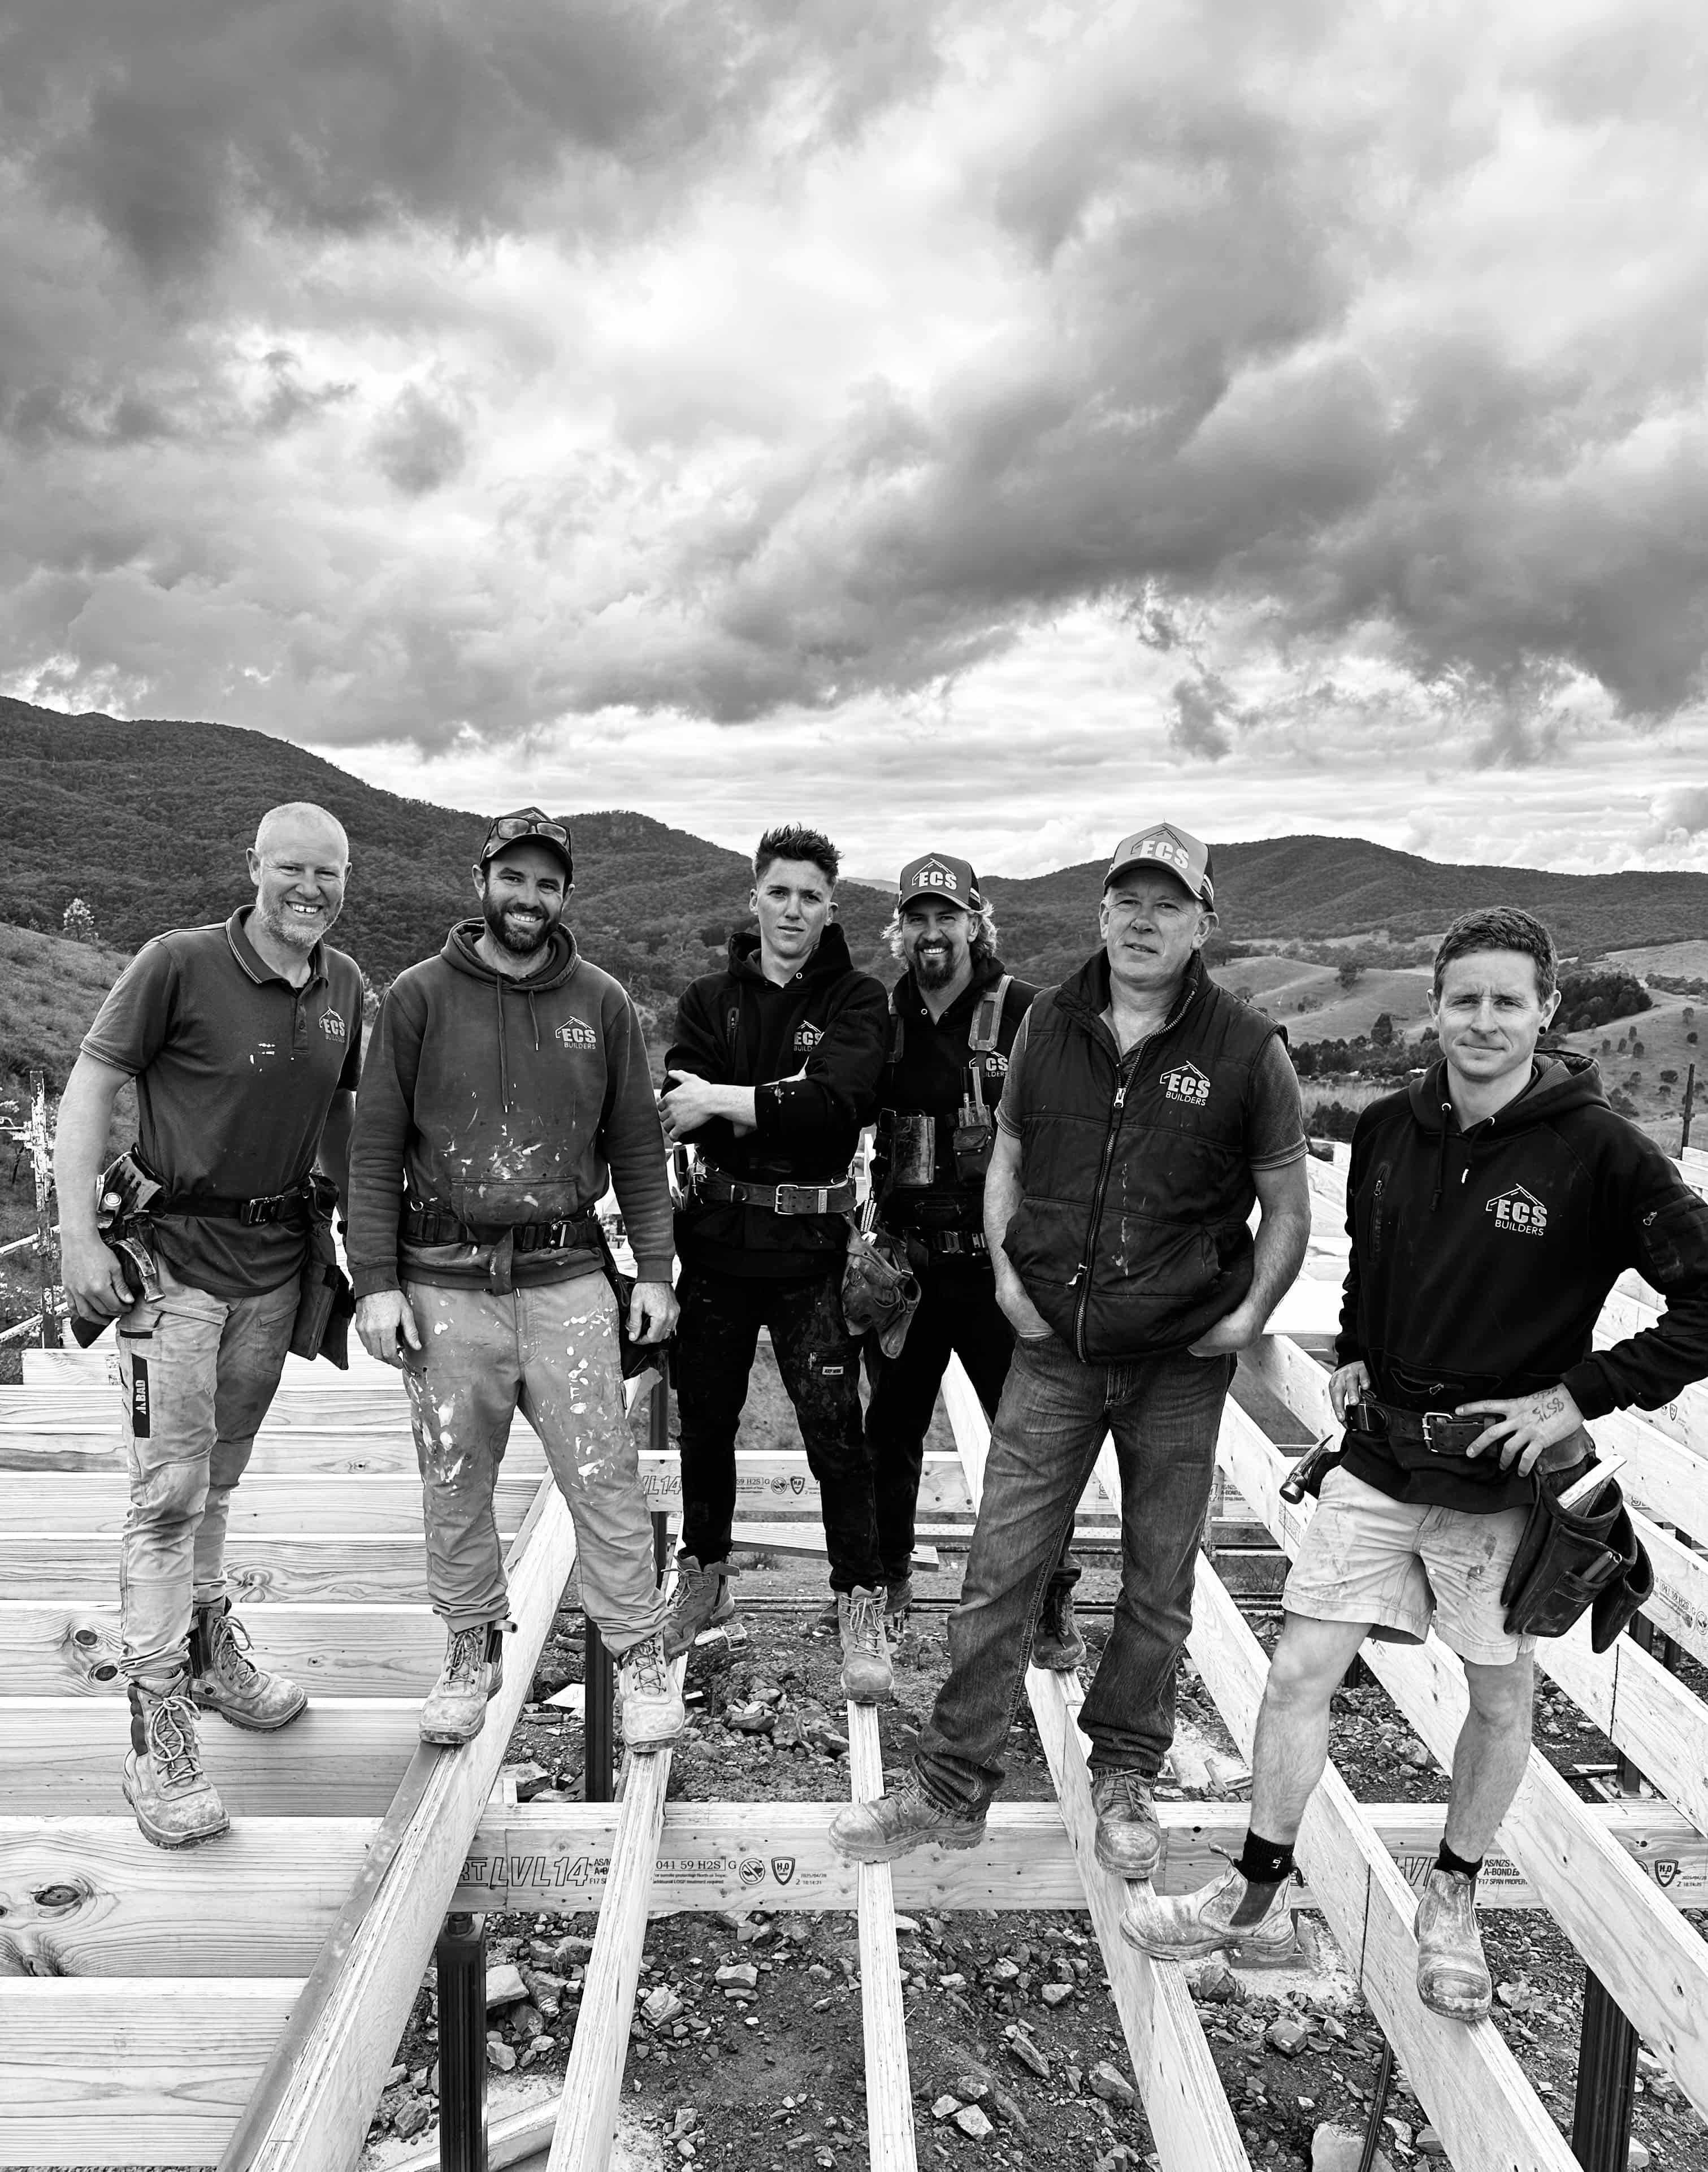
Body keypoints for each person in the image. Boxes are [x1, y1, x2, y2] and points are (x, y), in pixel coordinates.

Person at [1125, 905, 1708, 2019]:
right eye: (1463, 998)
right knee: (1298, 1671)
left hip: (1495, 1480)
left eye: (1506, 1001)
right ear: (1433, 1007)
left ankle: (1451, 1894)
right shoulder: (1392, 1126)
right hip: (1380, 1457)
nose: (1482, 1020)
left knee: (1495, 1691)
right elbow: (1375, 1262)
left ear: (1545, 1010)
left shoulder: (1598, 1152)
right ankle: (1254, 1886)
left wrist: (1576, 1395)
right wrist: (1353, 1350)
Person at [831, 820, 1311, 1871]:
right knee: (999, 1569)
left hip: (1176, 1361)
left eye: (1167, 904)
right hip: (1054, 1349)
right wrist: (1009, 1278)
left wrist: (1246, 1317)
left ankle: (1125, 1772)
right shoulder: (1050, 1021)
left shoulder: (1244, 1046)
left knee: (1156, 1582)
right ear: (1101, 912)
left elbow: (1286, 1204)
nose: (1143, 921)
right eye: (1127, 900)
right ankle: (950, 1785)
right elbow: (1007, 1152)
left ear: (1202, 924)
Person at [55, 803, 362, 1848]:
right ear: (254, 868)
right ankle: (157, 1728)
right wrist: (76, 1236)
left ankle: (205, 1649)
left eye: (328, 873)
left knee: (220, 1480)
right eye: (291, 869)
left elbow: (340, 1113)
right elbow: (92, 1084)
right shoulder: (176, 964)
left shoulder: (343, 985)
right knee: (167, 1496)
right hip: (173, 1267)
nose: (308, 889)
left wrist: (366, 1237)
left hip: (274, 1271)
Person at [346, 808, 683, 1754]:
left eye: (546, 883)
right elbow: (374, 1148)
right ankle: (469, 1646)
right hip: (443, 1281)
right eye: (514, 878)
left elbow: (637, 1147)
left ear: (564, 895)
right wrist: (373, 1281)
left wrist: (653, 1271)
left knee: (603, 1472)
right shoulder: (417, 997)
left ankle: (637, 1652)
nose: (528, 898)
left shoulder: (601, 1002)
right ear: (482, 882)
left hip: (566, 1275)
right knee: (454, 1472)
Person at [659, 822, 892, 1701]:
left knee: (835, 1433)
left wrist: (726, 1100)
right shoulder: (706, 1000)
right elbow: (680, 1107)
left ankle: (859, 1598)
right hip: (718, 1244)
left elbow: (839, 1106)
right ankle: (705, 1575)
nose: (793, 910)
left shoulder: (857, 999)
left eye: (810, 897)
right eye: (780, 892)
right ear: (753, 898)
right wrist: (775, 1103)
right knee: (704, 1422)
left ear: (830, 908)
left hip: (811, 1253)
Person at [860, 851, 1081, 1662]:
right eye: (916, 918)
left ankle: (1048, 1596)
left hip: (1000, 1272)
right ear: (899, 930)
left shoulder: (1027, 1011)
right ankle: (885, 1586)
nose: (931, 933)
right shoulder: (877, 1016)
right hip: (906, 1272)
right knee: (890, 1435)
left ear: (974, 923)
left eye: (946, 917)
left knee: (1028, 1446)